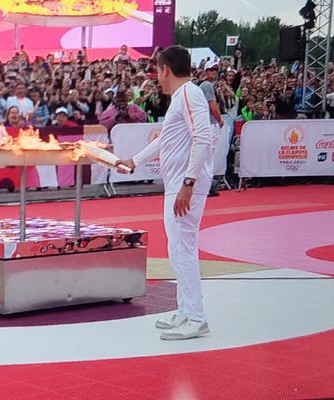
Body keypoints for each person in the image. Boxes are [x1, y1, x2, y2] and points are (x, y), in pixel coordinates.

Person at [116, 45, 214, 340]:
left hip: (184, 185)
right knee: (178, 248)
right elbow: (165, 140)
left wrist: (188, 183)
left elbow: (204, 138)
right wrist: (135, 161)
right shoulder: (182, 98)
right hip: (178, 183)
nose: (157, 77)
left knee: (182, 248)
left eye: (157, 71)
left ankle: (196, 317)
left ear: (165, 69)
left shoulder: (189, 94)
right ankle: (186, 311)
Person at [199, 60, 224, 197]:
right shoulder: (207, 85)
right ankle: (206, 187)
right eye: (211, 69)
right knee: (208, 157)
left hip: (208, 123)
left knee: (206, 156)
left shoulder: (204, 85)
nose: (214, 72)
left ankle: (205, 185)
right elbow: (212, 106)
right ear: (206, 71)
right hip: (210, 124)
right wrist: (219, 119)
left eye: (216, 69)